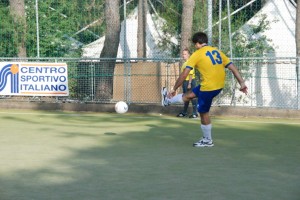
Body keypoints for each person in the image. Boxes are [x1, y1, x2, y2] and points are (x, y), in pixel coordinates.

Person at [161, 32, 248, 147]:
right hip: (216, 85)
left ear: (197, 43)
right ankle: (167, 101)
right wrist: (242, 83)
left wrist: (174, 88)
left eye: (194, 44)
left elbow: (184, 74)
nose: (195, 46)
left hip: (208, 88)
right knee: (188, 95)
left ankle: (207, 140)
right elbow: (233, 68)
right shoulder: (217, 51)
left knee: (203, 112)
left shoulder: (197, 54)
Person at [177, 48, 198, 118]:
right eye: (183, 54)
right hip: (185, 82)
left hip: (190, 82)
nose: (183, 55)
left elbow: (191, 74)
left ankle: (195, 113)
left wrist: (189, 83)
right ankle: (184, 112)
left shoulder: (190, 62)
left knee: (193, 97)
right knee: (185, 97)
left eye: (185, 54)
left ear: (189, 55)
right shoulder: (184, 63)